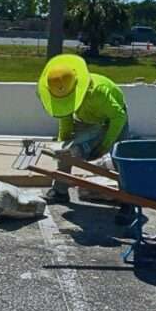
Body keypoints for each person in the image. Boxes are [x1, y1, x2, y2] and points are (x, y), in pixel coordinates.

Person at [36, 54, 129, 207]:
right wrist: (62, 144)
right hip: (87, 120)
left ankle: (128, 200)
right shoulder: (64, 91)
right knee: (66, 153)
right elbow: (65, 118)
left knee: (118, 157)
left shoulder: (99, 92)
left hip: (113, 120)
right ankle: (60, 192)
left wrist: (105, 145)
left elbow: (118, 117)